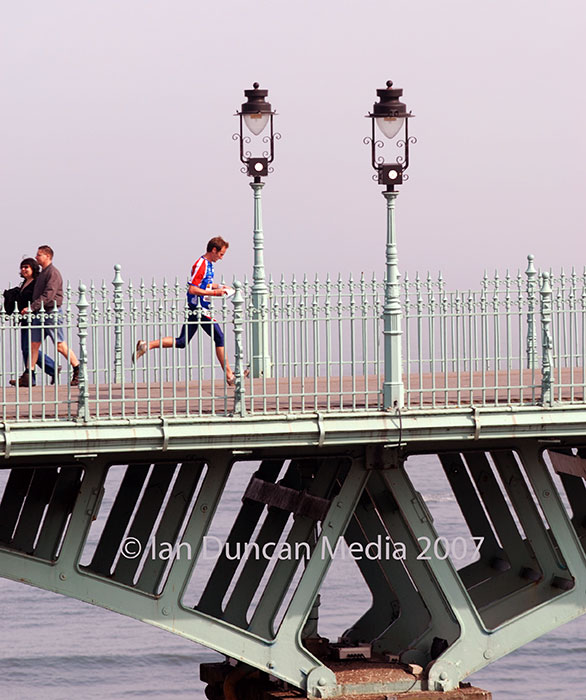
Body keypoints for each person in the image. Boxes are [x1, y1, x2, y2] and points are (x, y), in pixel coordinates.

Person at [133, 236, 236, 385]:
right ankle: (229, 376)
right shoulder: (201, 264)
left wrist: (220, 287)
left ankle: (146, 345)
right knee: (219, 336)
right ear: (214, 250)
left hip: (200, 307)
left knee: (182, 342)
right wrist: (215, 293)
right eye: (221, 254)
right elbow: (193, 289)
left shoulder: (209, 264)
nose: (221, 258)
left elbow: (204, 284)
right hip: (198, 308)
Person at [18, 245, 80, 387]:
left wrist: (31, 308)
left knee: (60, 345)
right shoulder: (44, 273)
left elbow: (49, 295)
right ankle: (28, 374)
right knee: (33, 345)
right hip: (40, 313)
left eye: (39, 255)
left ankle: (78, 368)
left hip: (51, 312)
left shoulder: (53, 273)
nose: (36, 257)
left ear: (47, 256)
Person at [3, 258, 57, 386]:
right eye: (22, 267)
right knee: (25, 349)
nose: (23, 269)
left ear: (33, 268)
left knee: (29, 348)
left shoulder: (36, 283)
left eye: (26, 267)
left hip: (33, 318)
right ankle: (29, 377)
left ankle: (52, 368)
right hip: (24, 319)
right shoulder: (24, 283)